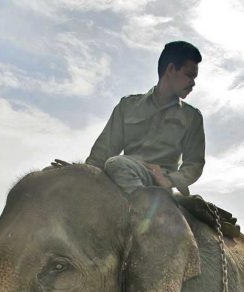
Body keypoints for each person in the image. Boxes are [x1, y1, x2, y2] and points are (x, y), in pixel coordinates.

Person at [84, 41, 204, 196]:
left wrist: (169, 179)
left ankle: (146, 206)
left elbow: (194, 164)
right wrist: (82, 173)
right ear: (171, 69)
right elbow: (103, 151)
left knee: (115, 163)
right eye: (189, 75)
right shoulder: (127, 106)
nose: (193, 83)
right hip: (123, 175)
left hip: (156, 181)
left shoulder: (192, 117)